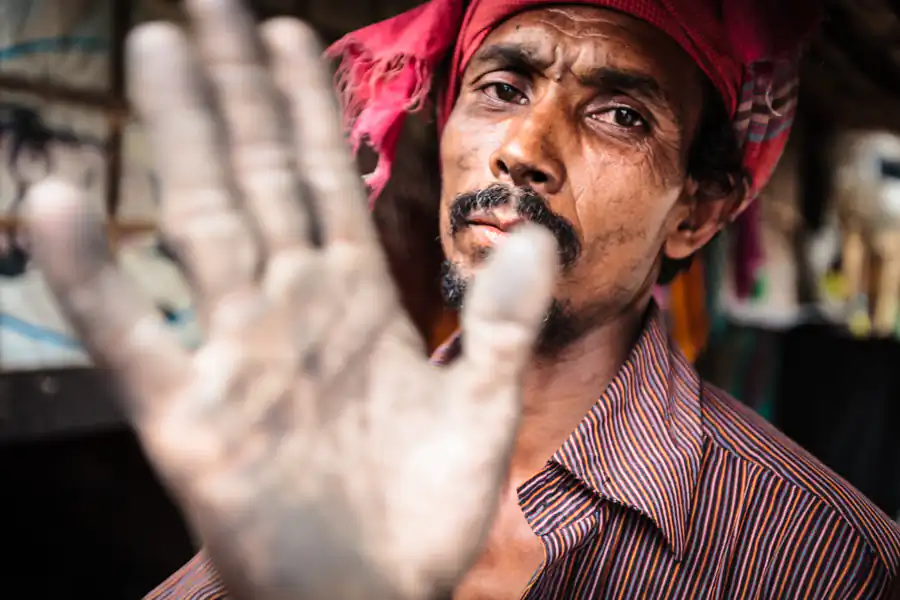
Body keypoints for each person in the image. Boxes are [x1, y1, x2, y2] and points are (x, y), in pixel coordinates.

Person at [23, 0, 900, 598]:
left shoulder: (830, 560)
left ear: (698, 213)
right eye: (502, 89)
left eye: (620, 115)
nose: (523, 147)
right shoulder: (313, 488)